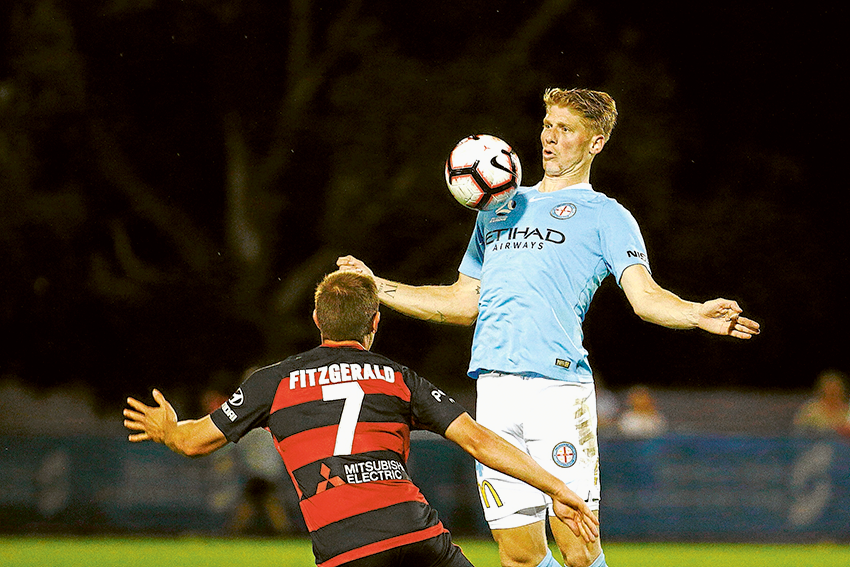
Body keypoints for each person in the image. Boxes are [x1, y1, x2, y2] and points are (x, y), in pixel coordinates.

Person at [337, 87, 760, 567]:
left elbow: (646, 298)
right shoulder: (498, 206)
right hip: (494, 392)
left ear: (594, 143)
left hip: (557, 391)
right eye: (546, 125)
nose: (549, 138)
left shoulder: (607, 215)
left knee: (578, 548)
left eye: (565, 129)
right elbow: (461, 302)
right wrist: (376, 287)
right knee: (518, 555)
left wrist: (694, 312)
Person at [123, 271, 599, 567]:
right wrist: (557, 488)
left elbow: (194, 442)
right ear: (375, 322)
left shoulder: (273, 382)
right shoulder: (398, 378)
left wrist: (168, 429)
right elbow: (479, 441)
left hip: (345, 547)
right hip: (417, 536)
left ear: (316, 318)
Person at [792, 369, 850, 438]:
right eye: (828, 388)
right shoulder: (811, 409)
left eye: (836, 388)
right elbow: (799, 431)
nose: (832, 392)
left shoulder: (848, 410)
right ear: (821, 390)